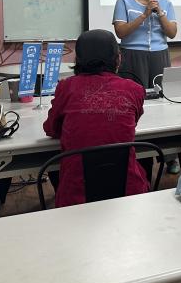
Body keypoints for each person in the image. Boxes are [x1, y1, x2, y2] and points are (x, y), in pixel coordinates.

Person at [43, 29, 148, 208]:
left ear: (77, 60)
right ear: (118, 58)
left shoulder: (66, 87)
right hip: (128, 194)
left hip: (76, 197)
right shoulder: (134, 89)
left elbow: (51, 129)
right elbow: (129, 125)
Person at [113, 0, 179, 173]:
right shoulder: (124, 2)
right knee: (133, 103)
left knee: (164, 104)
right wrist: (144, 14)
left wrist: (159, 12)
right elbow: (121, 32)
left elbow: (172, 33)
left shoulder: (165, 3)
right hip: (132, 56)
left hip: (159, 55)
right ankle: (134, 152)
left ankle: (170, 156)